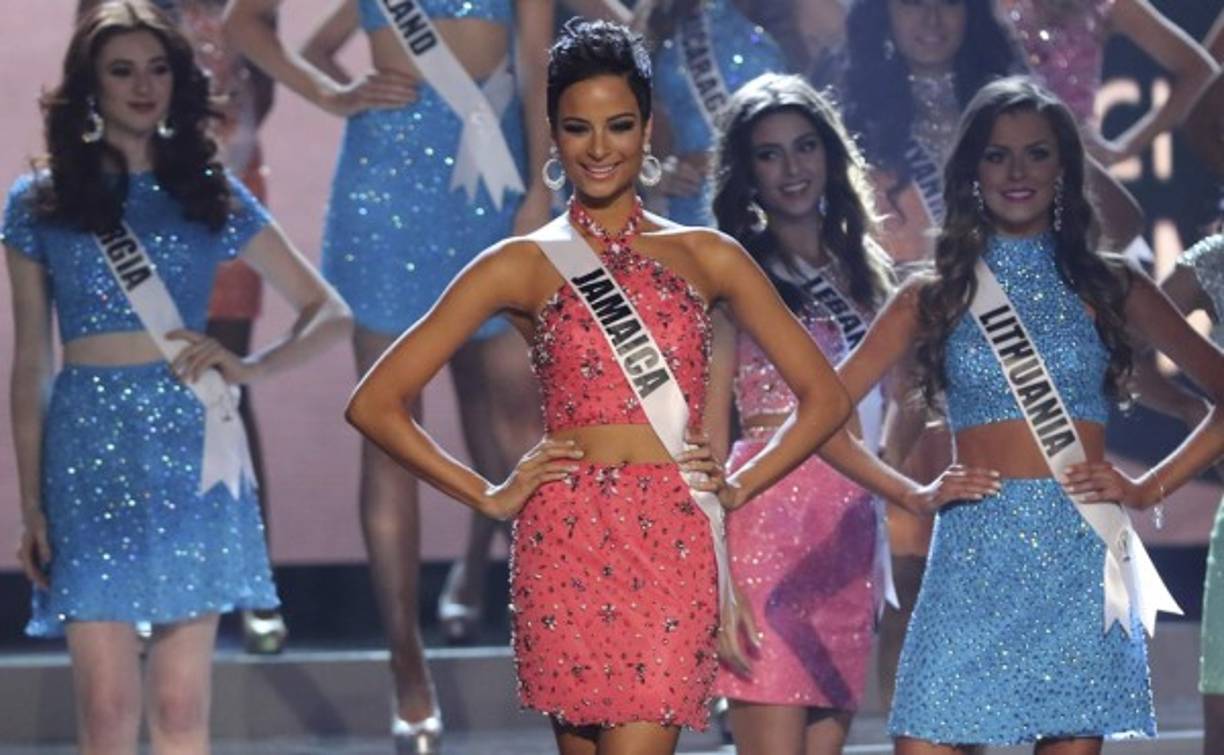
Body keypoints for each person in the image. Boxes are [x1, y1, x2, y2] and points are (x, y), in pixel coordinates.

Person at [345, 20, 854, 755]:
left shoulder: (708, 255)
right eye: (577, 127)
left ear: (648, 129)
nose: (599, 146)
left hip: (672, 541)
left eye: (619, 125)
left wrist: (739, 487)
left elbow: (826, 399)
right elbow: (374, 401)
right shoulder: (518, 264)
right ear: (552, 136)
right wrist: (489, 493)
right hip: (563, 543)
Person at [794, 75, 1224, 752]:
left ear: (1064, 167)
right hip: (971, 547)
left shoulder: (1110, 283)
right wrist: (911, 491)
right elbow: (821, 414)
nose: (1017, 171)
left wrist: (1146, 488)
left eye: (1037, 153)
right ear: (972, 171)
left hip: (1077, 546)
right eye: (997, 155)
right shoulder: (933, 293)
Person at [5, 2, 351, 751]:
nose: (143, 86)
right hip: (85, 447)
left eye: (159, 68)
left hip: (191, 451)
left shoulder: (210, 193)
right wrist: (31, 500)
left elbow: (329, 313)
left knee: (182, 702)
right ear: (89, 85)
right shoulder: (39, 203)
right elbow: (31, 361)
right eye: (122, 70)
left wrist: (250, 365)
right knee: (102, 709)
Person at [223, 0, 553, 745]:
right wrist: (331, 94)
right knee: (392, 432)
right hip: (385, 192)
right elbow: (246, 22)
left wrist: (542, 184)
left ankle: (563, 633)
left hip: (494, 187)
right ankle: (407, 664)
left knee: (522, 422)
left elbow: (535, 63)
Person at [78, 0, 289, 656]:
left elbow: (266, 86)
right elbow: (85, 74)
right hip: (136, 194)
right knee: (143, 387)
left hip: (222, 184)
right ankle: (145, 581)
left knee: (223, 383)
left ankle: (252, 583)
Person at [840, 0, 1021, 707]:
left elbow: (1103, 216)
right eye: (911, 3)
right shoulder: (855, 121)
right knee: (909, 573)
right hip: (902, 367)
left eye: (948, 3)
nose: (931, 19)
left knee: (992, 576)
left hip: (1002, 366)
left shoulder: (1009, 118)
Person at [705, 72, 892, 754]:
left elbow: (898, 407)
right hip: (765, 533)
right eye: (770, 153)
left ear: (830, 154)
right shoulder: (732, 275)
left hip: (847, 535)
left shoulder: (868, 272)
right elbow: (706, 434)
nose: (792, 168)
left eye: (805, 146)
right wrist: (717, 576)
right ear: (747, 172)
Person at [995, 0, 1217, 256]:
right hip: (1003, 175)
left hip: (1076, 176)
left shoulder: (1107, 5)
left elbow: (1198, 70)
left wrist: (1121, 150)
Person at [635, 0, 789, 227]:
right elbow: (644, 133)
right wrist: (658, 174)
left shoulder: (786, 8)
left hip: (776, 194)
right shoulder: (655, 15)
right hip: (694, 209)